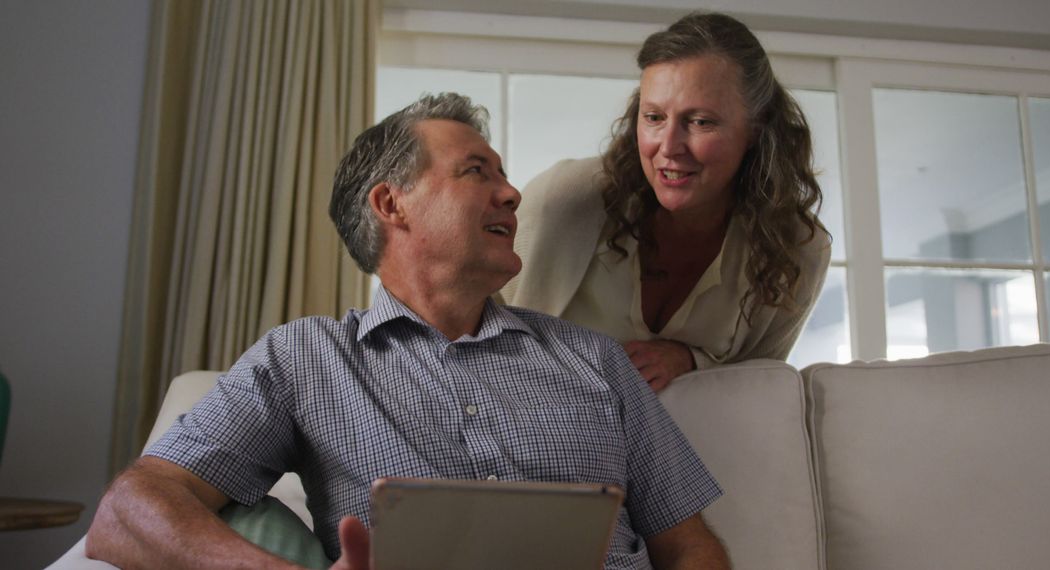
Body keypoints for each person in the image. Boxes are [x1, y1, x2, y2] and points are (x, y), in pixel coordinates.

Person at [85, 93, 731, 570]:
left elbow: (691, 543)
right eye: (477, 171)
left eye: (504, 176)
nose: (511, 194)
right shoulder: (304, 359)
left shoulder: (593, 357)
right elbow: (129, 510)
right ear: (392, 204)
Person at [502, 12, 832, 392]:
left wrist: (690, 360)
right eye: (654, 117)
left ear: (756, 129)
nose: (669, 148)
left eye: (701, 122)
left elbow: (762, 391)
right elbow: (476, 325)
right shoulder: (564, 200)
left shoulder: (797, 248)